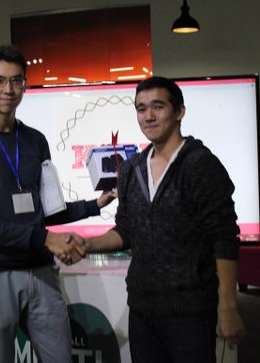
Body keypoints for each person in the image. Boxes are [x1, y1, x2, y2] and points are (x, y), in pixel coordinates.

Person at [0, 44, 114, 362]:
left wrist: (95, 204)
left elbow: (48, 208)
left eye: (16, 80)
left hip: (40, 272)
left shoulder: (35, 140)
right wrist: (45, 238)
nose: (8, 89)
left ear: (24, 85)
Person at [82, 76, 246, 363]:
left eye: (158, 107)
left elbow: (224, 237)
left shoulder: (200, 165)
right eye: (141, 108)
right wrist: (86, 245)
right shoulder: (132, 168)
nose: (149, 116)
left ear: (179, 111)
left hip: (190, 312)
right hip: (142, 310)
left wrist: (229, 307)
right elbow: (125, 230)